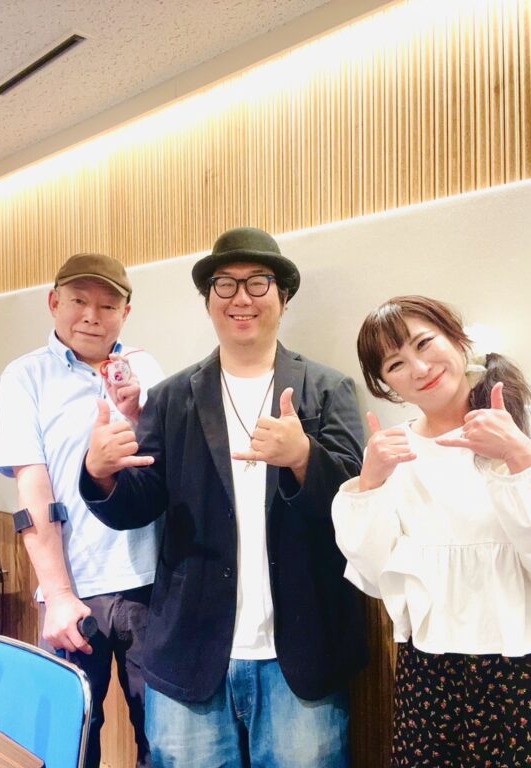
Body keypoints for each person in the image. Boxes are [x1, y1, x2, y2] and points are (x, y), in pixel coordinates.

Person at [79, 227, 368, 767]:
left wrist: (304, 458)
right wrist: (100, 475)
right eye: (225, 284)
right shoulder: (172, 398)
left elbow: (358, 504)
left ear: (283, 297)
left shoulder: (328, 389)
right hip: (190, 650)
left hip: (302, 652)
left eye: (258, 283)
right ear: (209, 300)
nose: (241, 297)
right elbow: (140, 504)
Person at [332, 295, 531, 767]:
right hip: (433, 673)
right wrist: (371, 484)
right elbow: (376, 576)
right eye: (396, 364)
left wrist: (520, 458)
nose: (419, 368)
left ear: (458, 339)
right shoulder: (393, 453)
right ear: (387, 386)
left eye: (425, 343)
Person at [0, 253, 163, 768]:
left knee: (163, 740)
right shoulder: (26, 375)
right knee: (72, 740)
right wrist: (59, 594)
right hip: (73, 590)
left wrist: (138, 414)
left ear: (125, 314)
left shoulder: (146, 368)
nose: (92, 316)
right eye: (79, 301)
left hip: (150, 585)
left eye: (108, 305)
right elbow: (33, 487)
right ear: (54, 302)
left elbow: (163, 468)